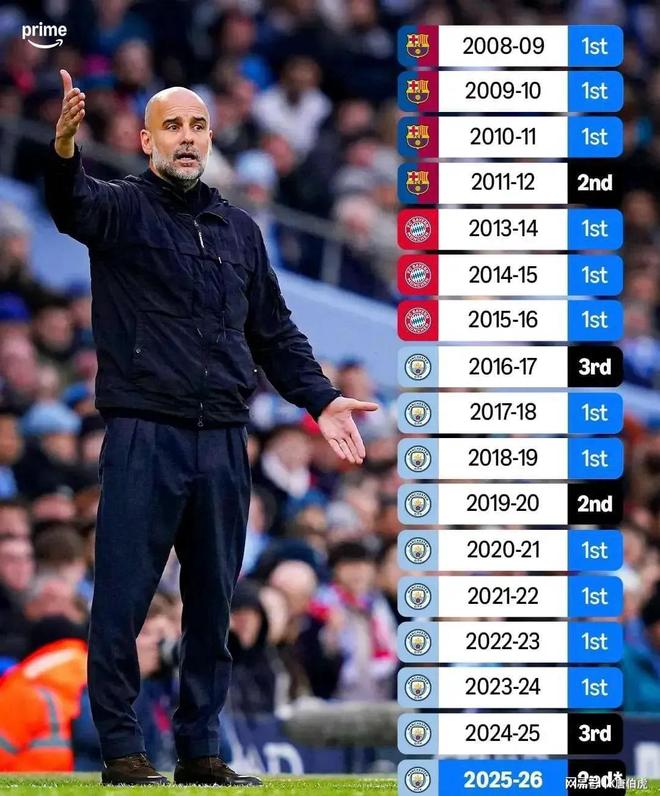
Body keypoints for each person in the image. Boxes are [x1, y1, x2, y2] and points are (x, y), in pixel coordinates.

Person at [44, 69, 377, 787]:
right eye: (172, 126)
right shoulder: (122, 208)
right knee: (123, 600)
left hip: (224, 438)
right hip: (145, 432)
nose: (187, 138)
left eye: (198, 126)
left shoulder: (240, 230)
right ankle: (123, 750)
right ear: (146, 141)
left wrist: (320, 400)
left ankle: (201, 752)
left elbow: (274, 333)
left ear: (212, 138)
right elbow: (70, 205)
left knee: (213, 605)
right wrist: (66, 149)